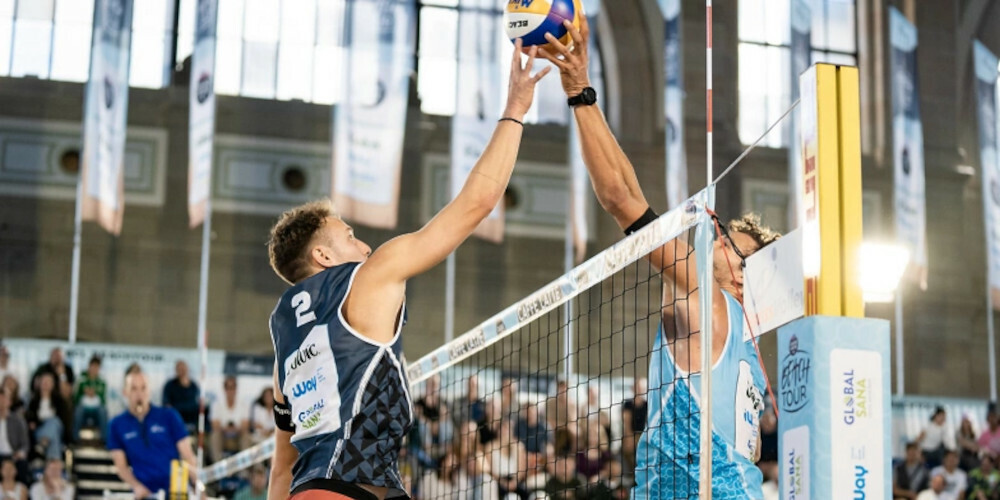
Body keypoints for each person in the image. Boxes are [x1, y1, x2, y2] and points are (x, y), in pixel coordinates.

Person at [264, 41, 549, 500]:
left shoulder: (284, 341)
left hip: (327, 488)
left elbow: (282, 469)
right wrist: (515, 110)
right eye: (350, 235)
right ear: (323, 256)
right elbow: (475, 205)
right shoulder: (369, 277)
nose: (365, 244)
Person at [538, 16, 777, 499]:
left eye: (729, 244)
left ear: (745, 272)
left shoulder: (707, 298)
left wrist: (580, 90)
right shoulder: (752, 349)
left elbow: (621, 197)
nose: (715, 241)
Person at [108, 371, 196, 499]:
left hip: (176, 489)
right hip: (146, 492)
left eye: (143, 388)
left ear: (150, 391)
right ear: (125, 392)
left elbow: (187, 455)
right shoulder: (116, 424)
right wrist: (136, 486)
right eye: (134, 388)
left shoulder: (169, 416)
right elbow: (120, 466)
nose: (139, 394)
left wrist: (198, 484)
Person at [25, 374, 70, 460]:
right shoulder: (33, 401)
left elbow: (64, 421)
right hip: (39, 430)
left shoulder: (60, 402)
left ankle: (42, 445)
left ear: (53, 385)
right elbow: (30, 420)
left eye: (48, 382)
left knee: (54, 422)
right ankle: (56, 465)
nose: (46, 384)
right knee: (54, 438)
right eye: (44, 381)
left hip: (57, 428)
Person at [210, 376, 249, 459]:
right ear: (224, 389)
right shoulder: (216, 404)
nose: (230, 391)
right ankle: (218, 466)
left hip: (238, 435)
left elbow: (245, 425)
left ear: (236, 389)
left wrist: (233, 429)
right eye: (228, 388)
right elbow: (215, 425)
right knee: (215, 435)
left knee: (246, 436)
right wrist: (227, 429)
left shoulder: (243, 404)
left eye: (232, 387)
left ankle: (244, 469)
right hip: (222, 435)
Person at [161, 360, 203, 434]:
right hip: (176, 417)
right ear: (176, 370)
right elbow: (166, 404)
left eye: (183, 369)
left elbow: (198, 402)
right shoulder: (170, 385)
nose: (182, 371)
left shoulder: (194, 385)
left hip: (191, 418)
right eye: (179, 369)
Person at [73, 355, 107, 442]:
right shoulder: (81, 379)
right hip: (83, 408)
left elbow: (103, 400)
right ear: (89, 366)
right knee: (78, 410)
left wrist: (95, 393)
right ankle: (75, 439)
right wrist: (84, 392)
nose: (94, 369)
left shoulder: (102, 381)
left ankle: (104, 439)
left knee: (103, 411)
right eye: (93, 366)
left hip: (96, 409)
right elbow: (75, 397)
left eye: (97, 367)